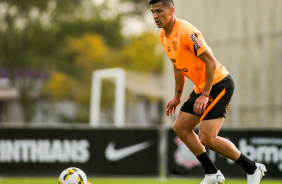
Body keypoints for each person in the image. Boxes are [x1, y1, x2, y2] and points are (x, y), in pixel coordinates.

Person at [149, 0, 267, 184]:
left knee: (207, 137)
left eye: (159, 11)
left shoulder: (187, 31)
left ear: (171, 10)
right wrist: (177, 96)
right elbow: (177, 66)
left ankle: (252, 168)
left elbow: (211, 62)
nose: (155, 16)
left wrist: (205, 94)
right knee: (181, 127)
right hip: (201, 87)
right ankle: (212, 173)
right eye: (152, 12)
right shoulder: (163, 36)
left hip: (219, 84)